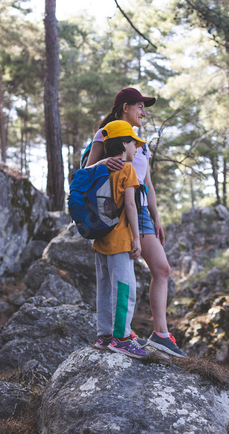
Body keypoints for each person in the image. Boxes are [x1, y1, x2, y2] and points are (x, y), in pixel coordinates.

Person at [87, 87, 187, 358]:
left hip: (141, 210)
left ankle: (160, 335)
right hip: (118, 210)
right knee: (123, 276)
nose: (144, 112)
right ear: (124, 108)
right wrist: (105, 162)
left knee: (162, 270)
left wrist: (157, 217)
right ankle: (117, 334)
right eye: (139, 106)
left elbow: (148, 184)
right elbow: (84, 171)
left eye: (145, 107)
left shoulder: (140, 142)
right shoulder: (106, 134)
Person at [91, 120, 148, 359]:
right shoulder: (127, 170)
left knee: (104, 287)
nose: (136, 149)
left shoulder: (98, 168)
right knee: (124, 287)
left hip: (99, 239)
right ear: (124, 144)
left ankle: (104, 336)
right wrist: (137, 238)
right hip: (121, 239)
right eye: (134, 144)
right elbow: (130, 206)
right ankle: (122, 338)